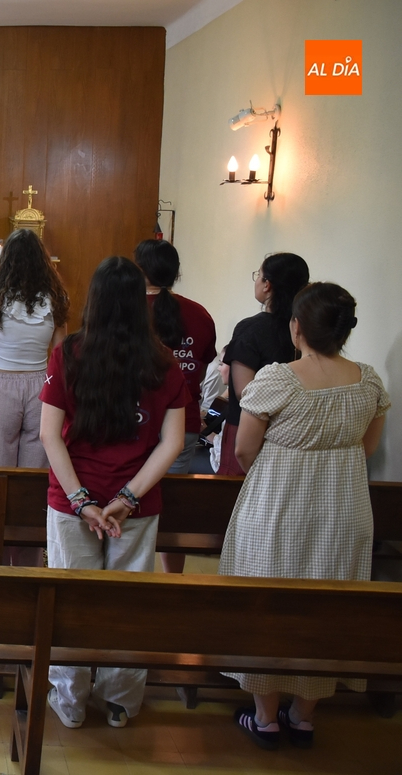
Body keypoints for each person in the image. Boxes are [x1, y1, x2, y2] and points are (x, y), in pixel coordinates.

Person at [220, 282, 389, 751]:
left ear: (296, 328)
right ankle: (305, 715)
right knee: (328, 608)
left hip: (278, 505)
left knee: (268, 601)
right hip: (346, 506)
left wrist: (281, 472)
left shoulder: (278, 378)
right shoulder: (370, 380)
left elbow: (245, 448)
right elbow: (368, 448)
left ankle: (266, 717)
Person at [38, 256, 188, 730]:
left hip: (71, 501)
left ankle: (71, 700)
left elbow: (49, 435)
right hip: (136, 508)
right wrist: (128, 496)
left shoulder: (70, 354)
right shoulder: (163, 362)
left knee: (71, 599)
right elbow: (174, 442)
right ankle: (121, 700)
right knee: (127, 603)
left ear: (95, 301)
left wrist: (83, 501)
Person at [0, 229, 69, 565]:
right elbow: (60, 357)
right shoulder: (55, 297)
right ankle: (26, 563)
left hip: (0, 383)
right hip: (41, 387)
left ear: (5, 261)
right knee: (33, 485)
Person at [134, 239, 216, 572]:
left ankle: (130, 576)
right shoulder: (199, 314)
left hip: (136, 422)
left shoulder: (128, 310)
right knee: (172, 507)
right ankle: (172, 579)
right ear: (176, 272)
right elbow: (204, 360)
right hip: (184, 423)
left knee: (132, 502)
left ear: (138, 270)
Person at [217, 253, 309, 475]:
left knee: (236, 499)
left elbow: (244, 393)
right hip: (294, 430)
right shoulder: (305, 328)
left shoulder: (251, 329)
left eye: (259, 275)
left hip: (248, 428)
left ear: (267, 285)